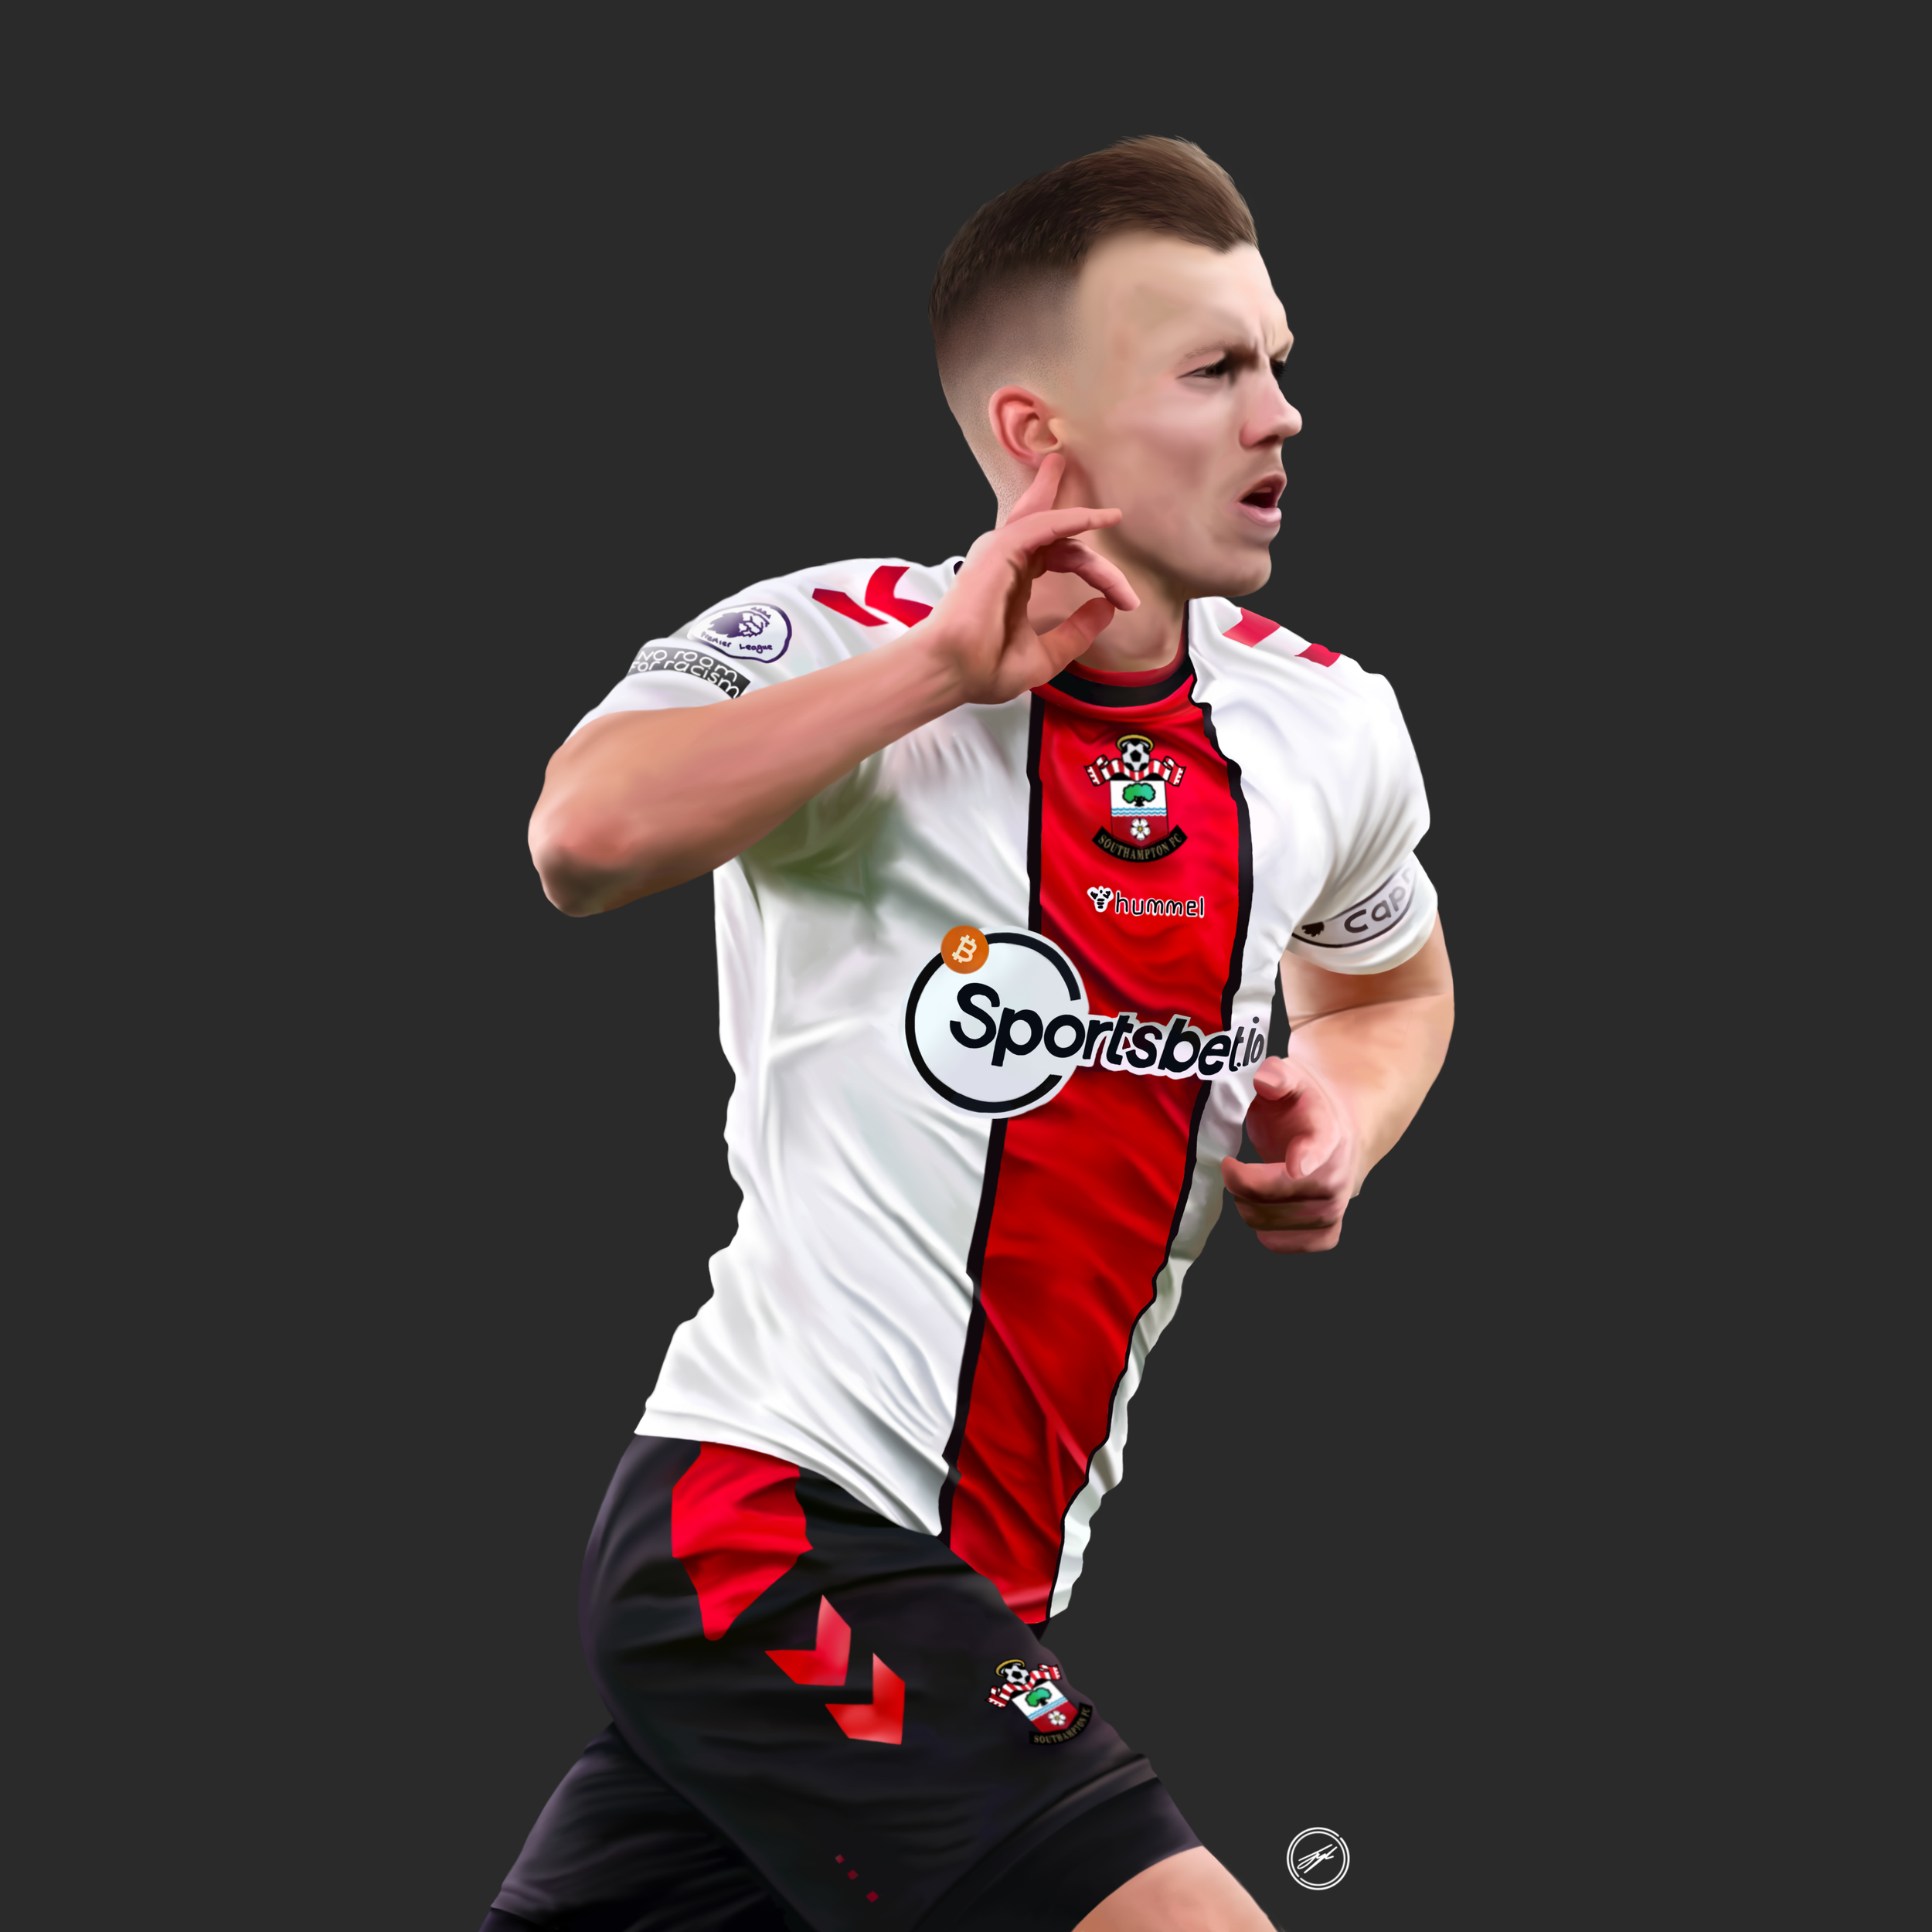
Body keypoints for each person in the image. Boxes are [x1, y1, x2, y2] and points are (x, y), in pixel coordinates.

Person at [487, 136, 1454, 1932]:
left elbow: (1388, 983)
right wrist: (938, 669)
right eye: (1215, 370)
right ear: (1038, 438)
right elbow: (582, 835)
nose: (1280, 416)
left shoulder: (1327, 727)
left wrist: (1349, 1107)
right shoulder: (841, 642)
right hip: (770, 1525)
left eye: (1280, 361)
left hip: (981, 1585)